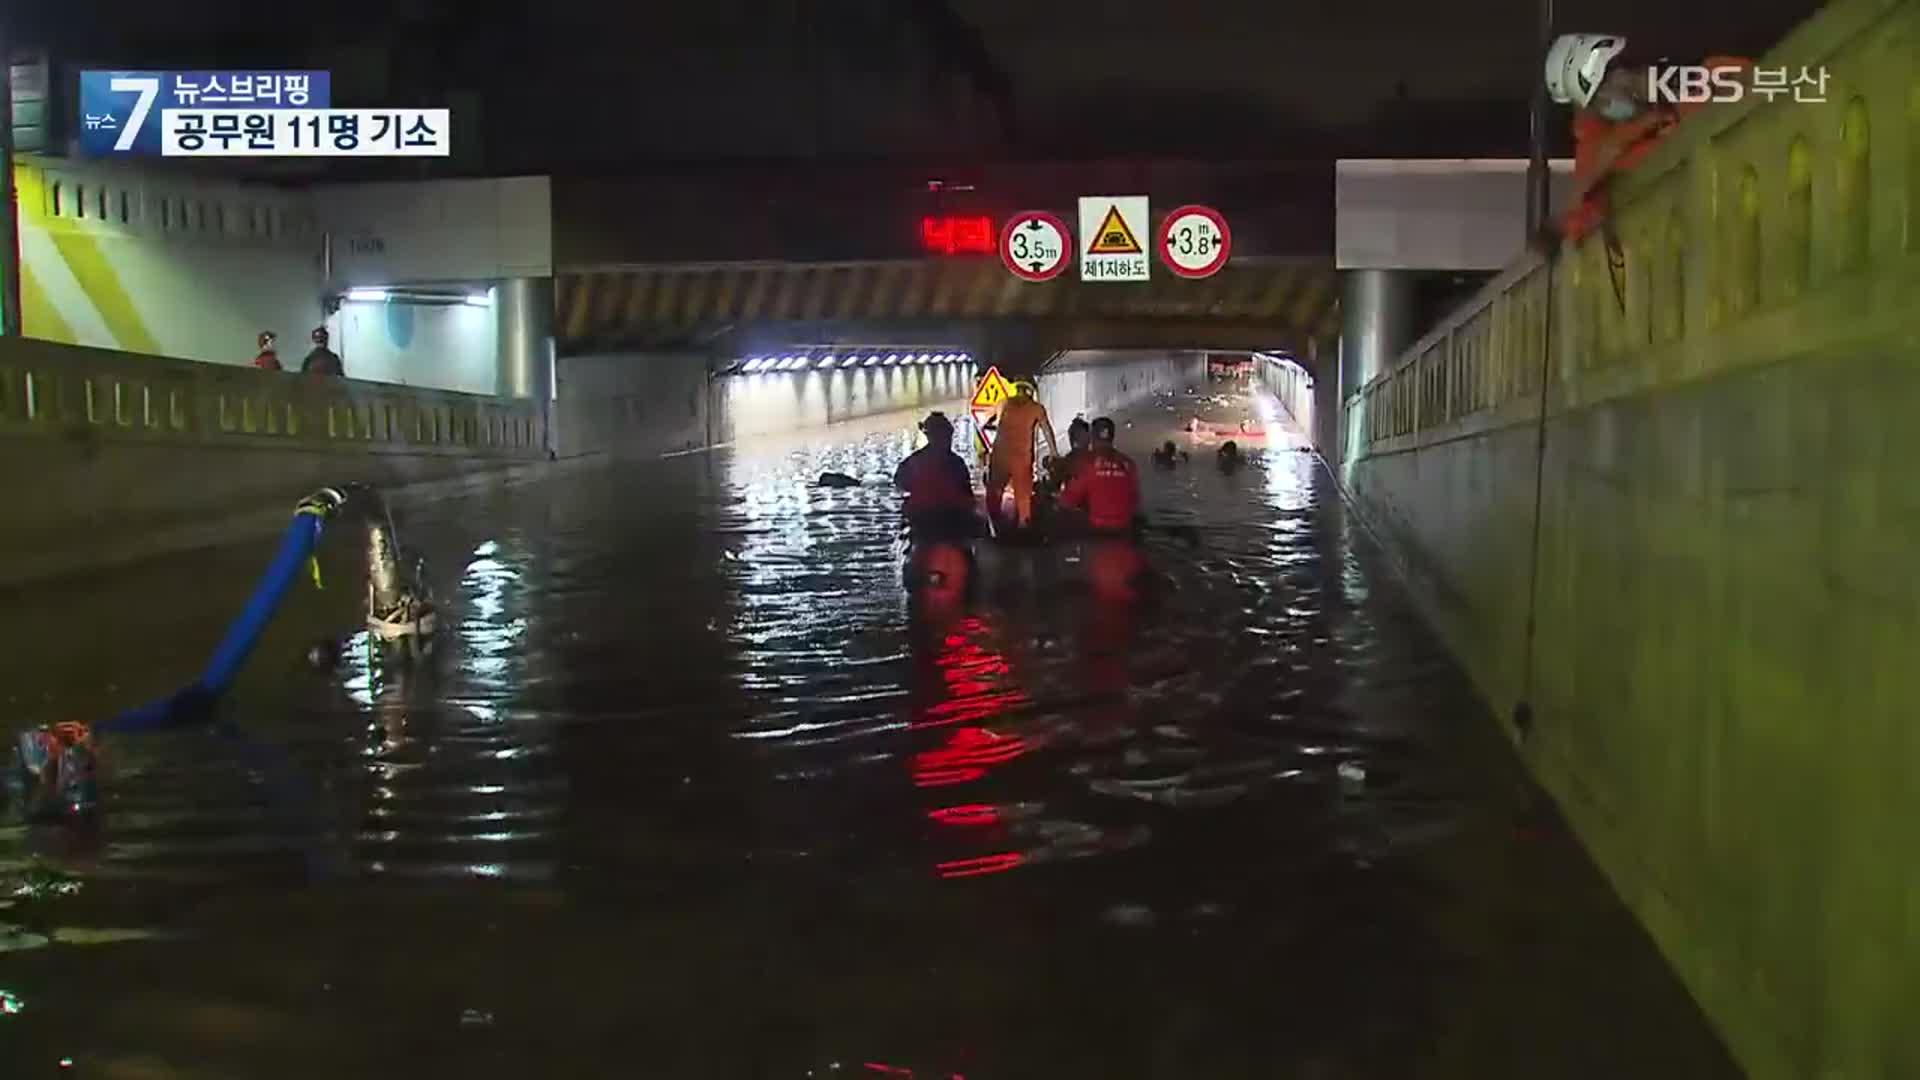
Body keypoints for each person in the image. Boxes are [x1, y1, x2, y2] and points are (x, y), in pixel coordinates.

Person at [1546, 34, 1754, 248]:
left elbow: (1764, 88)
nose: (1606, 106)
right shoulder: (1625, 146)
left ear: (1620, 70)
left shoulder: (1703, 77)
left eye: (1602, 96)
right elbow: (1584, 206)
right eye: (1598, 104)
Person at [984, 379, 1059, 534]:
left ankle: (993, 525)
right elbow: (1047, 430)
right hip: (1022, 458)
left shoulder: (1003, 403)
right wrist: (1053, 453)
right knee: (1023, 496)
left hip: (1000, 456)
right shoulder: (1036, 408)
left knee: (995, 491)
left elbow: (985, 421)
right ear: (1031, 391)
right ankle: (1023, 528)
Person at [892, 412, 980, 539]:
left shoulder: (912, 462)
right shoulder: (957, 463)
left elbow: (900, 483)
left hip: (923, 518)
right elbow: (968, 496)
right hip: (952, 519)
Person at [1058, 417, 1141, 536]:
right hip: (1125, 530)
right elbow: (1135, 500)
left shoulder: (1086, 463)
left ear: (1092, 437)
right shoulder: (1129, 464)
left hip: (1097, 532)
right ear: (1112, 437)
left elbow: (1068, 500)